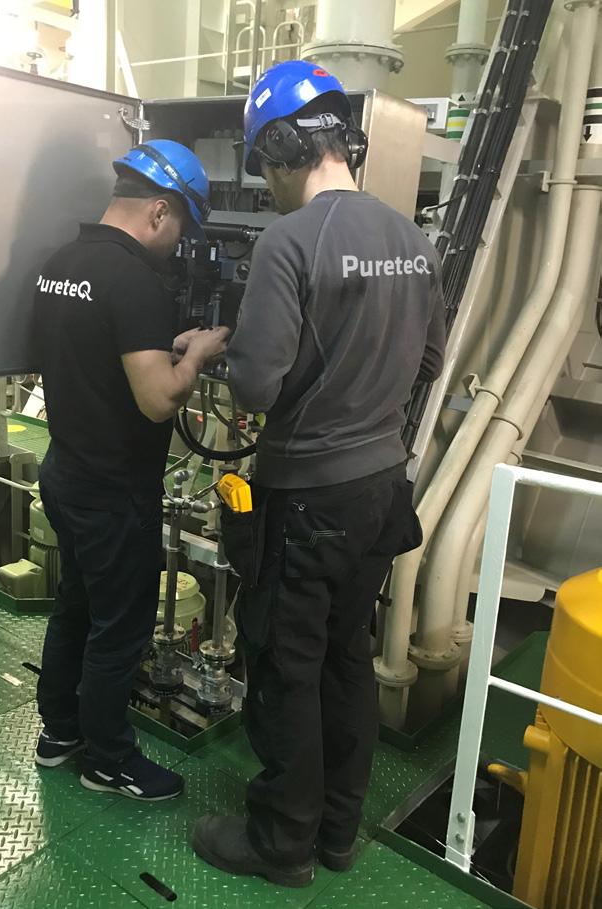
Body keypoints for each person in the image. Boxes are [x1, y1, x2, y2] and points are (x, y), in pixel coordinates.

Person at [192, 61, 446, 887]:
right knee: (345, 656)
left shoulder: (290, 243)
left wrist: (224, 352)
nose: (266, 186)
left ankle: (281, 842)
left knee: (285, 663)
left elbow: (257, 388)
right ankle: (337, 830)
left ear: (280, 148)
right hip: (383, 489)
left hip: (307, 496)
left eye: (263, 167)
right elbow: (429, 362)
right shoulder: (414, 241)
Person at [32, 140, 229, 800]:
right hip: (114, 491)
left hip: (66, 471)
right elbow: (158, 401)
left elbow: (96, 349)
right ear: (159, 211)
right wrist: (196, 354)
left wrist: (161, 346)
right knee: (119, 631)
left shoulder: (61, 263)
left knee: (76, 606)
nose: (179, 246)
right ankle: (109, 761)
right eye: (182, 228)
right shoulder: (137, 280)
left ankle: (60, 733)